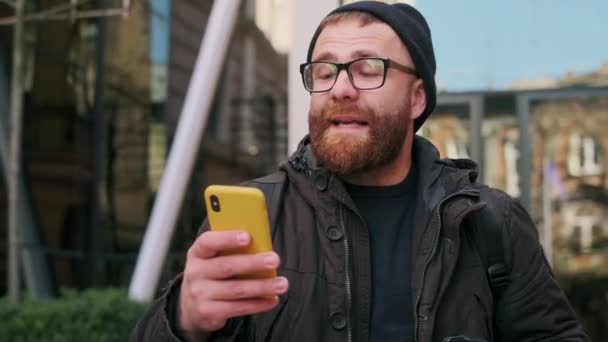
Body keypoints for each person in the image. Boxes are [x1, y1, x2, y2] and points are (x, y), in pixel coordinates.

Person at [131, 1, 589, 341]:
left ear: (417, 99)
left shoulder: (489, 221)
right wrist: (183, 321)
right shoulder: (253, 219)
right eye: (325, 70)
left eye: (369, 69)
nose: (341, 88)